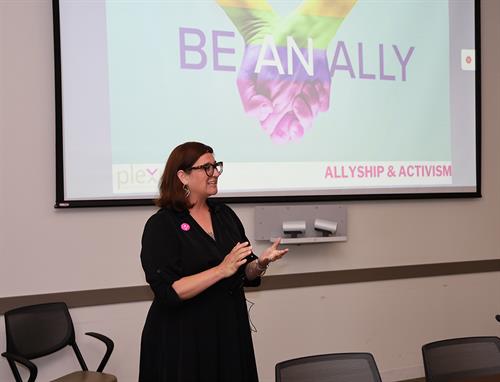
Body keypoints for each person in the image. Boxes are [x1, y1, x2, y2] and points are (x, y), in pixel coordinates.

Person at [139, 141, 288, 382]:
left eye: (216, 166)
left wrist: (259, 264)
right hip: (183, 339)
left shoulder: (224, 215)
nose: (216, 173)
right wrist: (220, 270)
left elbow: (243, 271)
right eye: (207, 168)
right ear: (183, 176)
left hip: (228, 329)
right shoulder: (162, 225)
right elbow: (168, 291)